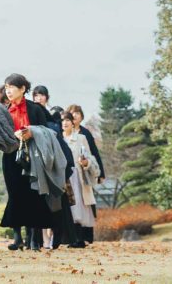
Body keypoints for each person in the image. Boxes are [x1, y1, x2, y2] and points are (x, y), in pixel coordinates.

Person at [0, 73, 54, 251]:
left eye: (12, 87)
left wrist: (31, 132)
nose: (8, 91)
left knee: (34, 195)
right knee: (15, 195)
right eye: (6, 87)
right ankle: (17, 237)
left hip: (33, 156)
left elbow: (46, 131)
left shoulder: (35, 109)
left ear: (23, 89)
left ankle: (34, 239)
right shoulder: (4, 110)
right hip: (11, 157)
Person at [66, 103, 105, 244]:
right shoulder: (64, 134)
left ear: (81, 116)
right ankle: (74, 237)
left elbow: (94, 153)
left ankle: (87, 236)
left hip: (84, 172)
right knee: (75, 205)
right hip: (71, 174)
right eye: (72, 113)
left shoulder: (85, 133)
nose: (75, 115)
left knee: (86, 203)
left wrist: (100, 173)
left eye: (77, 113)